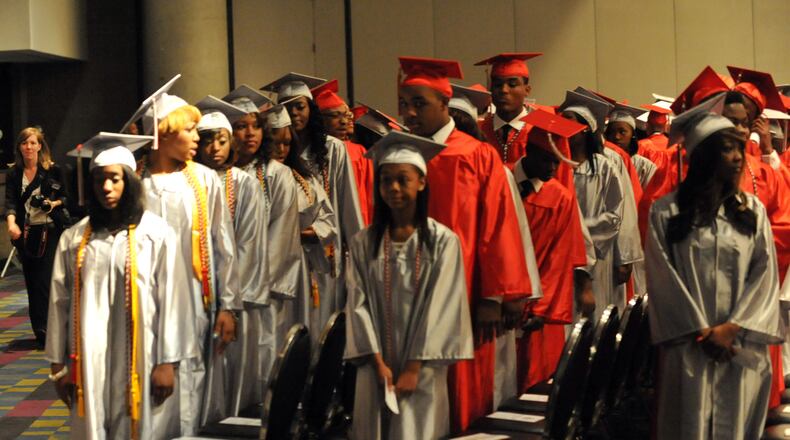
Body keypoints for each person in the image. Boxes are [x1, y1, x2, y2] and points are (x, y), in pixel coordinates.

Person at [397, 56, 532, 431]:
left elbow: (498, 226)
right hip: (409, 293)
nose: (410, 113)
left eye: (419, 104)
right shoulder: (401, 155)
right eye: (404, 104)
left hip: (466, 293)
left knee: (462, 388)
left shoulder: (474, 155)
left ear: (444, 104)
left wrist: (492, 296)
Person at [647, 105, 783, 439]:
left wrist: (731, 328)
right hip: (690, 347)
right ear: (705, 156)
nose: (739, 156)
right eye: (728, 148)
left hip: (742, 345)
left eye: (739, 147)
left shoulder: (752, 211)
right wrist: (702, 332)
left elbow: (765, 275)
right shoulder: (666, 212)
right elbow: (663, 280)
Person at [46, 133, 188, 439]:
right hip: (88, 357)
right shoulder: (75, 238)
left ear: (130, 182)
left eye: (114, 179)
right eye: (99, 181)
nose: (106, 188)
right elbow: (58, 303)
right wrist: (58, 366)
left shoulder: (157, 234)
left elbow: (174, 300)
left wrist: (168, 362)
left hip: (143, 356)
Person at [345, 130, 473, 440]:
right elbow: (356, 303)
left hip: (423, 369)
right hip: (374, 368)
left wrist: (413, 369)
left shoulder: (443, 242)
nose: (393, 188)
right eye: (386, 180)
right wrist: (377, 363)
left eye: (403, 179)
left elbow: (442, 307)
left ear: (422, 182)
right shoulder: (365, 242)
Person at [129, 87, 240, 435]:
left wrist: (228, 306)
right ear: (163, 131)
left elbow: (224, 246)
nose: (197, 137)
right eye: (188, 130)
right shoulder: (136, 186)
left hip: (198, 302)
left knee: (195, 390)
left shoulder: (204, 180)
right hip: (148, 305)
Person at [264, 72, 364, 334]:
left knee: (323, 323)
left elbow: (347, 204)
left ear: (311, 109)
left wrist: (357, 254)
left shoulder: (332, 149)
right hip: (287, 257)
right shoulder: (278, 154)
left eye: (300, 106)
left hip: (325, 251)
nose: (294, 113)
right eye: (287, 107)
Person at [193, 95, 272, 418]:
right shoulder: (191, 182)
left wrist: (231, 299)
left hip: (234, 297)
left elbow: (249, 244)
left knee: (233, 374)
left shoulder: (245, 184)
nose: (215, 149)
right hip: (197, 294)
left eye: (222, 141)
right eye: (208, 141)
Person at [512, 110, 590, 391]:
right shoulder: (501, 180)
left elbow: (560, 258)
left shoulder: (560, 197)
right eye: (546, 159)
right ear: (528, 151)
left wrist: (541, 307)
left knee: (536, 379)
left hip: (540, 304)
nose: (552, 169)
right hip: (501, 303)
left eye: (557, 162)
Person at [223, 85, 302, 335]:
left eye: (256, 126)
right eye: (241, 126)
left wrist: (252, 285)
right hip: (222, 290)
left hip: (261, 293)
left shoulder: (278, 175)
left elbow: (282, 237)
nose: (250, 134)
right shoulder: (216, 177)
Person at [263, 102, 337, 344]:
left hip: (303, 265)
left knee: (303, 326)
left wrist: (313, 231)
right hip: (271, 267)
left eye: (287, 143)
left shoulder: (303, 177)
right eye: (276, 143)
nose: (282, 149)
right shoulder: (256, 178)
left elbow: (328, 216)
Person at [558, 90, 624, 319]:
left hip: (595, 257)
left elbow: (614, 216)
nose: (561, 126)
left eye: (568, 121)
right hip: (558, 257)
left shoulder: (604, 167)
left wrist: (578, 231)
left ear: (585, 128)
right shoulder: (554, 163)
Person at [5, 126, 69, 348]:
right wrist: (12, 224)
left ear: (40, 146)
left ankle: (54, 328)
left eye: (33, 143)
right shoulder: (14, 173)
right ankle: (40, 330)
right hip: (26, 232)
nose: (29, 147)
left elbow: (66, 197)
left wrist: (53, 203)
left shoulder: (53, 170)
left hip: (50, 231)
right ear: (19, 147)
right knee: (32, 282)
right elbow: (11, 202)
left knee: (47, 280)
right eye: (24, 143)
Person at [312, 79, 374, 225]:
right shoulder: (308, 152)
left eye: (346, 115)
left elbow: (369, 196)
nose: (344, 122)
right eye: (335, 115)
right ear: (319, 119)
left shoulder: (358, 152)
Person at [475, 53, 547, 166]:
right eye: (498, 85)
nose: (504, 90)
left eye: (512, 84)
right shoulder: (478, 130)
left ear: (527, 90)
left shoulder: (540, 131)